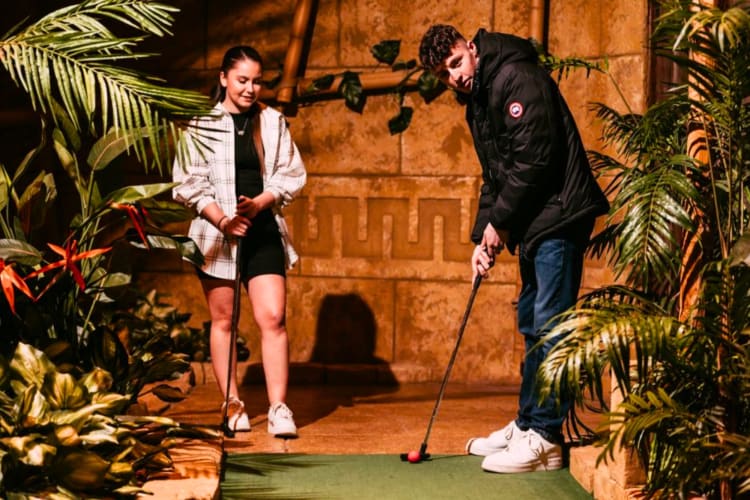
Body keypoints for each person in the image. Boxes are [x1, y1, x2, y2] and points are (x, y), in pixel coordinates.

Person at [419, 25, 609, 473]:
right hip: (535, 220)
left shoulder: (515, 76)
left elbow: (534, 161)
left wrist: (500, 225)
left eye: (455, 64)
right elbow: (496, 175)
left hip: (560, 214)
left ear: (469, 46)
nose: (454, 78)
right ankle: (527, 424)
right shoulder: (480, 99)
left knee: (551, 325)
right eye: (444, 74)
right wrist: (482, 238)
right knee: (532, 321)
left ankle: (545, 438)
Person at [173, 45, 306, 437]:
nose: (250, 88)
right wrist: (224, 219)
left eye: (257, 81)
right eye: (243, 80)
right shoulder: (200, 125)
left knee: (273, 318)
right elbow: (187, 183)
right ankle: (231, 402)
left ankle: (279, 408)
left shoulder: (273, 122)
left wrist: (261, 203)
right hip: (217, 234)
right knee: (224, 320)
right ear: (224, 79)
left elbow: (291, 174)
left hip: (261, 229)